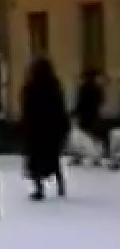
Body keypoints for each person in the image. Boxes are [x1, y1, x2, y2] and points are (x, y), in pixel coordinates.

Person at [20, 56, 70, 200]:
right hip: (52, 130)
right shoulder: (53, 86)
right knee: (53, 159)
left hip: (36, 130)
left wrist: (25, 127)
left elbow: (27, 109)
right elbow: (60, 107)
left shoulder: (31, 87)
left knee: (35, 161)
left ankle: (39, 189)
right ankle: (60, 185)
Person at [74, 66, 107, 159]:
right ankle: (97, 154)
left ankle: (86, 154)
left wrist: (74, 113)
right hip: (94, 116)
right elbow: (101, 101)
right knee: (94, 136)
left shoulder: (83, 88)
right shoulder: (97, 89)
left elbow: (80, 104)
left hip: (84, 117)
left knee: (84, 136)